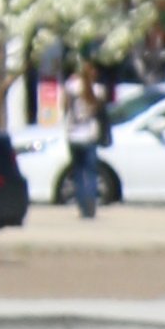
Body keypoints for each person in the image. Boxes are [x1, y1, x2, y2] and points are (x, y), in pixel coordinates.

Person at [61, 60, 105, 221]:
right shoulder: (98, 90)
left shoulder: (71, 87)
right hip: (90, 135)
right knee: (91, 172)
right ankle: (91, 206)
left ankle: (82, 206)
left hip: (73, 135)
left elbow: (64, 106)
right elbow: (100, 112)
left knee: (79, 172)